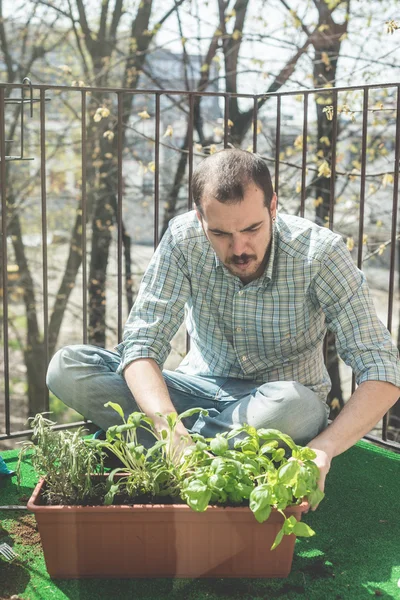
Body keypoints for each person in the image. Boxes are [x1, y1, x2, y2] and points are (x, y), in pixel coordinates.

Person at [47, 148, 400, 500]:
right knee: (67, 367)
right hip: (195, 390)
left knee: (298, 405)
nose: (239, 248)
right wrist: (171, 432)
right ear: (200, 218)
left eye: (252, 228)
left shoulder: (320, 254)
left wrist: (323, 447)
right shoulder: (183, 239)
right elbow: (142, 344)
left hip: (278, 406)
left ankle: (150, 451)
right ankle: (194, 452)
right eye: (220, 234)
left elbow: (382, 370)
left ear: (273, 207)